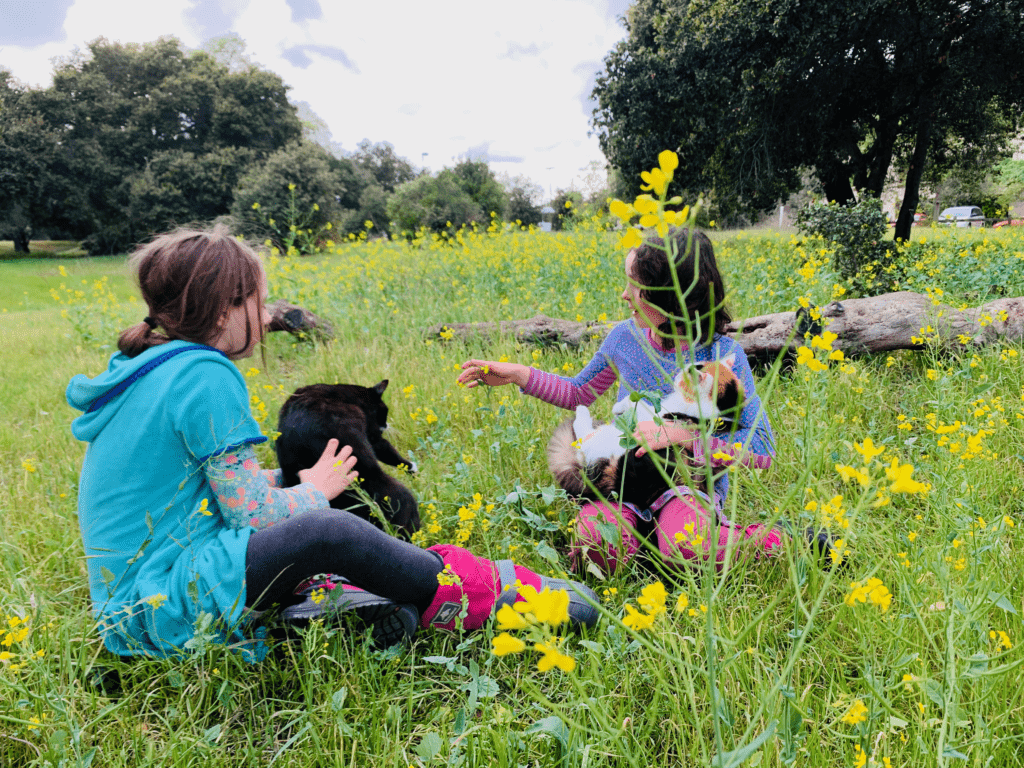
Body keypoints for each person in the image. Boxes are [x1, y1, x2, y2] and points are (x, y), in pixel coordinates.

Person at [67, 226, 597, 660]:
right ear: (226, 308)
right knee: (326, 531)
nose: (270, 315)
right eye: (262, 300)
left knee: (306, 523)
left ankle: (340, 608)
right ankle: (485, 594)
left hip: (134, 609)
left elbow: (198, 491)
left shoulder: (146, 368)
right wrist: (314, 489)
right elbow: (250, 517)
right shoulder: (201, 372)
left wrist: (286, 480)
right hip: (164, 602)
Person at [459, 227, 803, 575]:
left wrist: (682, 437)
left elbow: (762, 448)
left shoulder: (721, 356)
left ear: (671, 298)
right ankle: (648, 543)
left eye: (635, 286)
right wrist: (520, 374)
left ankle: (790, 542)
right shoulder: (626, 336)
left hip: (685, 487)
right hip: (621, 480)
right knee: (596, 544)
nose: (625, 295)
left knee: (688, 545)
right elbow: (580, 392)